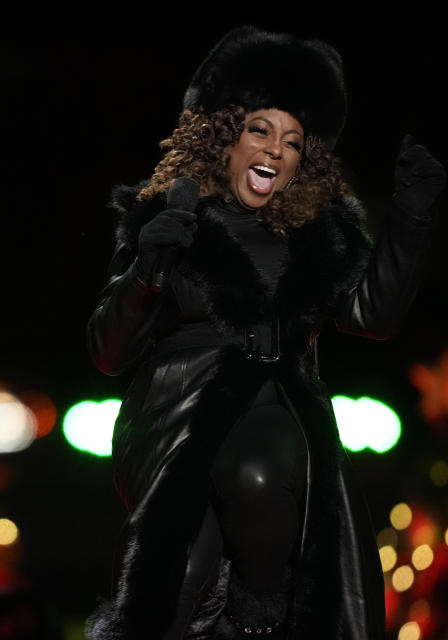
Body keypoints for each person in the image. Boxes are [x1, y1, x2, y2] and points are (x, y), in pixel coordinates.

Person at [85, 27, 445, 640]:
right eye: (261, 129)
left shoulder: (319, 235)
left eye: (294, 140)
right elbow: (108, 352)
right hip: (177, 411)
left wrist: (412, 212)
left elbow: (373, 315)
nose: (276, 150)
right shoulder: (168, 218)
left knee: (257, 468)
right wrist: (146, 269)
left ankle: (261, 606)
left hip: (279, 406)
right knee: (177, 582)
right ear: (224, 134)